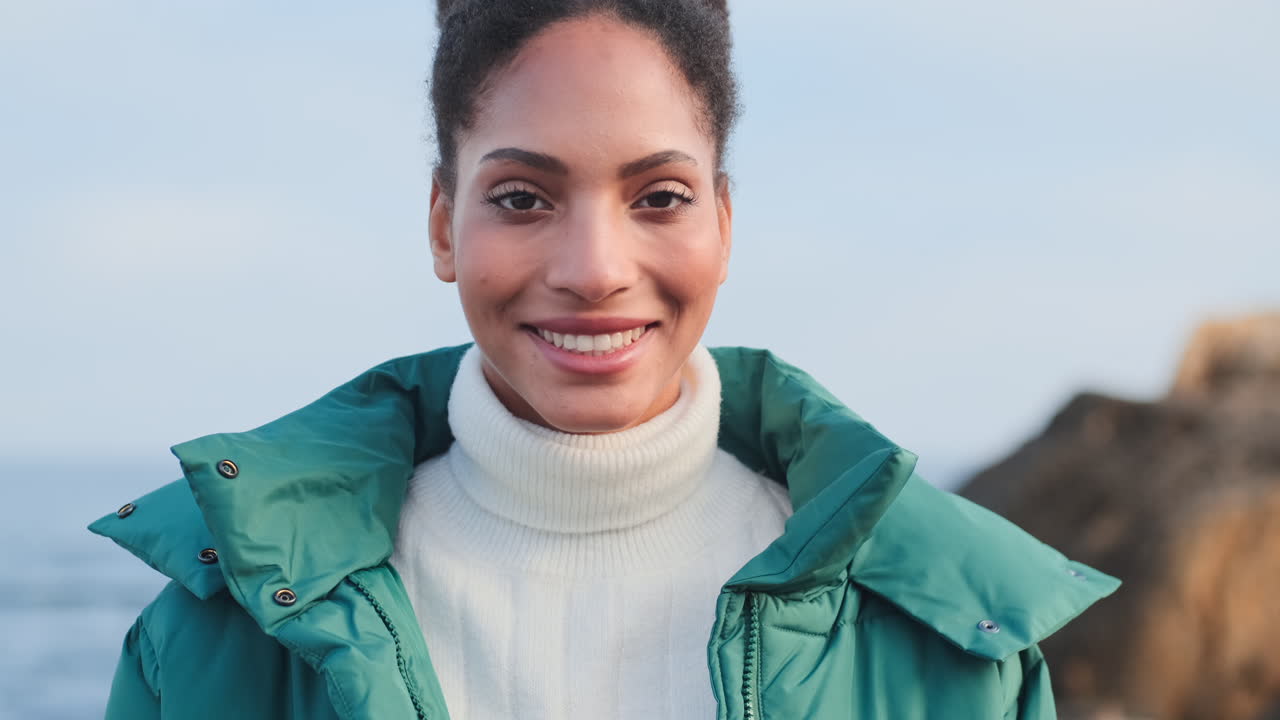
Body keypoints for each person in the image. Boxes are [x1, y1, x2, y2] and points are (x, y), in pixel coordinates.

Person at [92, 1, 1119, 718]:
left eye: (658, 197)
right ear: (443, 224)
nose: (592, 269)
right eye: (523, 198)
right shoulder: (212, 638)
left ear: (722, 222)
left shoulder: (950, 646)